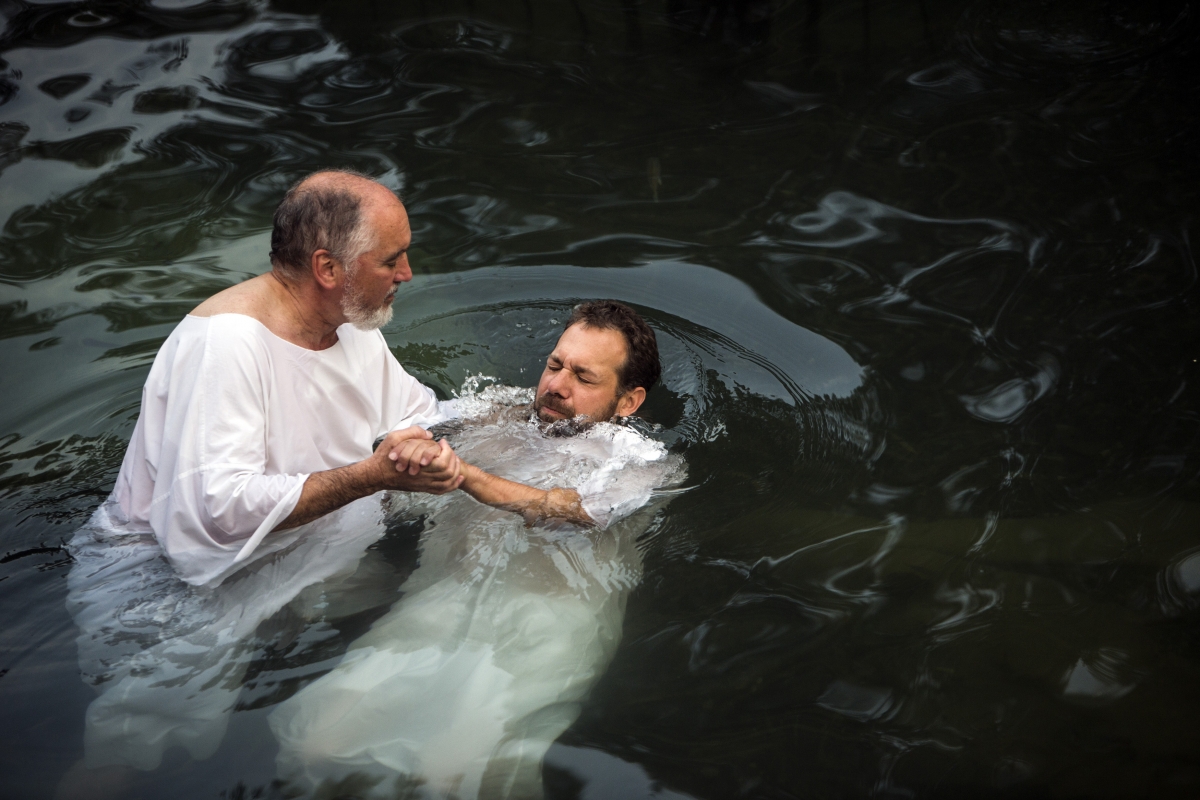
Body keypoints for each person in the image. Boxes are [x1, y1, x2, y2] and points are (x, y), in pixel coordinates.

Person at [269, 302, 684, 800]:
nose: (557, 385)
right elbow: (399, 446)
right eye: (554, 365)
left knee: (453, 774)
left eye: (583, 377)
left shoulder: (645, 465)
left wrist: (464, 475)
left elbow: (575, 509)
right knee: (319, 741)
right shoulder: (490, 414)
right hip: (440, 599)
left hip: (544, 627)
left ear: (628, 401)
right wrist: (407, 453)